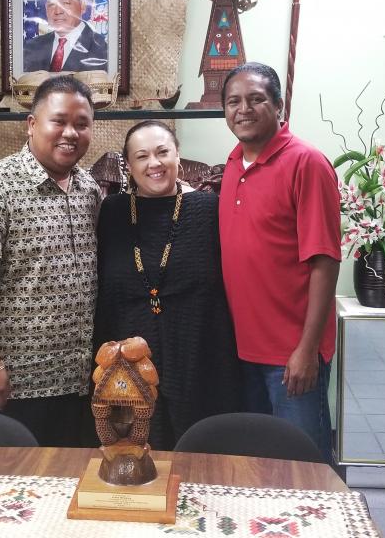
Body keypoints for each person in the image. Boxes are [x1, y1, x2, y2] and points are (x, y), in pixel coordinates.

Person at [0, 76, 102, 446]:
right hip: (13, 379)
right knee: (15, 487)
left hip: (75, 375)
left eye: (82, 124)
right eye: (58, 121)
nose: (71, 133)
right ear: (31, 124)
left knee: (66, 481)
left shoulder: (88, 189)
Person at [218, 62, 341, 463]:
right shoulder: (234, 163)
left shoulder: (307, 163)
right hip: (244, 352)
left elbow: (325, 261)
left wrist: (306, 350)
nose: (244, 109)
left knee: (306, 465)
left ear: (278, 105)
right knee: (260, 464)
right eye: (234, 101)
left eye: (256, 99)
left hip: (291, 355)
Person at [94, 120, 240, 450]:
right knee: (134, 454)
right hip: (128, 359)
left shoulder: (207, 209)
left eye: (162, 152)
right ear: (129, 166)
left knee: (202, 456)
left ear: (178, 155)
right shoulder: (112, 212)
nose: (154, 164)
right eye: (141, 156)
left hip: (199, 353)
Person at [23, 0, 108, 73]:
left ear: (82, 5)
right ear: (46, 8)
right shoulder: (31, 47)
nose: (58, 11)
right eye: (52, 4)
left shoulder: (103, 49)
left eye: (66, 3)